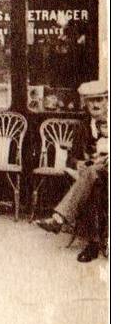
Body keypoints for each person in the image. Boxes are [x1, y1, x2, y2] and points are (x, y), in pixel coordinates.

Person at [37, 80, 109, 263]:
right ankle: (93, 244)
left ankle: (59, 218)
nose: (95, 104)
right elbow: (72, 158)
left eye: (99, 99)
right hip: (95, 177)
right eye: (91, 100)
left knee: (92, 176)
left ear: (107, 101)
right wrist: (79, 164)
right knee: (92, 182)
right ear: (85, 104)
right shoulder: (83, 127)